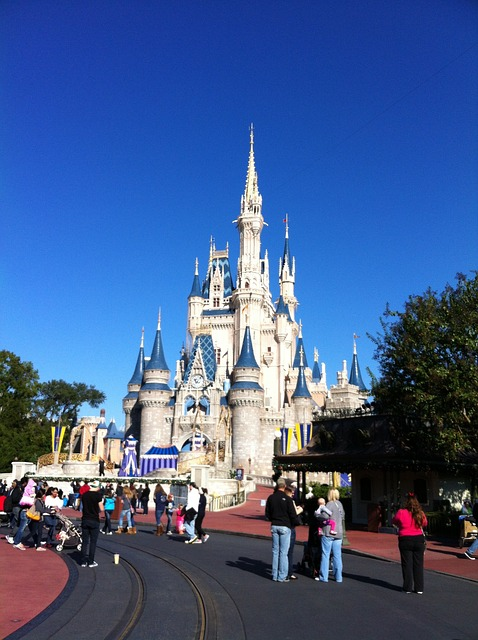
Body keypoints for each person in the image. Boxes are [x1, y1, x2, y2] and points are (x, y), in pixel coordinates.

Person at [265, 478, 301, 582]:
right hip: (285, 526)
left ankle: (275, 575)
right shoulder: (288, 499)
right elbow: (293, 515)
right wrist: (296, 523)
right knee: (283, 552)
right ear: (284, 486)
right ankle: (282, 576)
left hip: (275, 525)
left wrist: (274, 519)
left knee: (275, 551)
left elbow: (267, 514)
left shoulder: (271, 498)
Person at [392, 492, 428, 593]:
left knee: (407, 564)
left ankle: (407, 587)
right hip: (418, 539)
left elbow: (394, 521)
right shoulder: (420, 513)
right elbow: (425, 523)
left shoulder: (401, 512)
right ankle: (419, 588)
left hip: (405, 539)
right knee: (418, 564)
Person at [317, 488, 345, 583]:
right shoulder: (340, 504)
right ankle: (338, 577)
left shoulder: (329, 504)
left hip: (328, 532)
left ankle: (324, 577)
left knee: (325, 554)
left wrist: (318, 515)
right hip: (339, 532)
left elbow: (325, 516)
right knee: (337, 556)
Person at [80, 480, 104, 567]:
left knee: (85, 542)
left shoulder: (84, 495)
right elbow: (101, 509)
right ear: (97, 487)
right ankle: (90, 561)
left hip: (85, 519)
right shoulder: (98, 496)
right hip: (94, 520)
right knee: (93, 542)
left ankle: (83, 561)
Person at [284, 484, 303, 579]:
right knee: (289, 551)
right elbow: (294, 513)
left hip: (282, 525)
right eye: (292, 493)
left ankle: (282, 570)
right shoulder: (290, 501)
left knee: (281, 551)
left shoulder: (281, 501)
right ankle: (289, 572)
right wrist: (301, 509)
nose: (293, 494)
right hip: (290, 527)